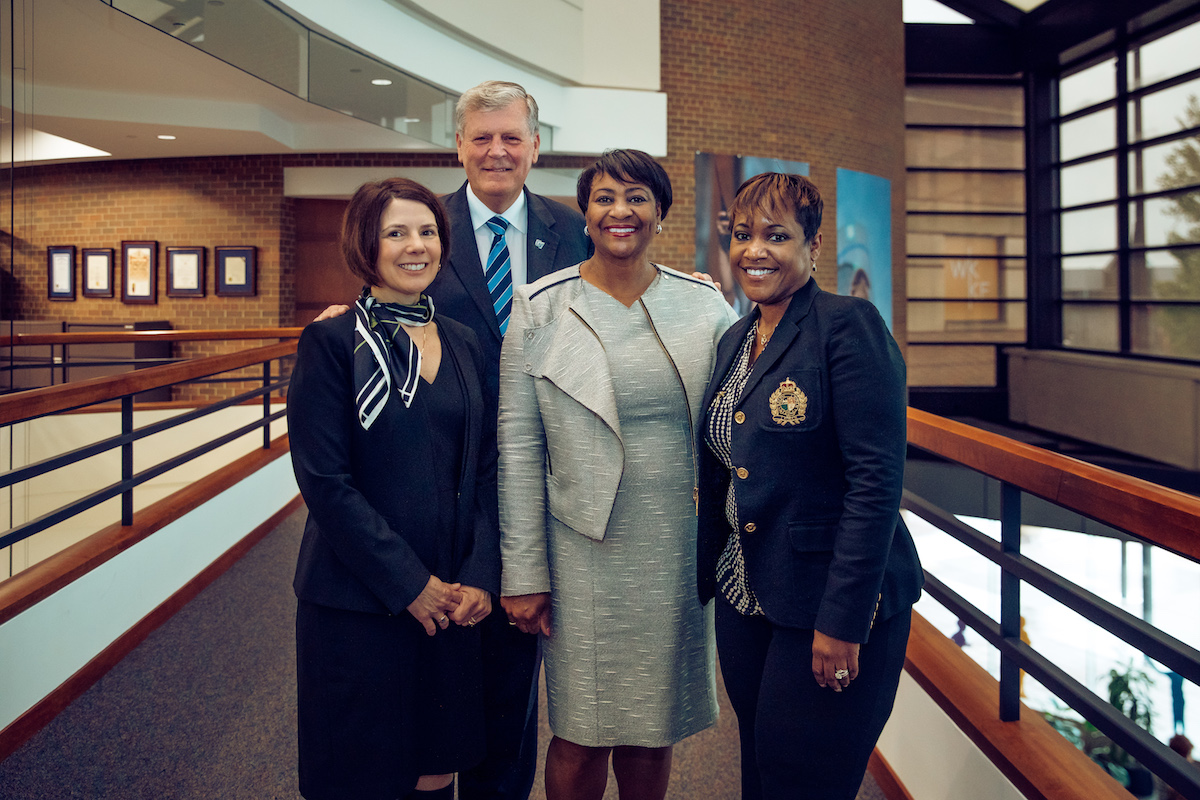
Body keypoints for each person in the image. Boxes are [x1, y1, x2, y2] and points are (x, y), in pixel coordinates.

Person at [313, 80, 591, 800]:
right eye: (481, 136)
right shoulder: (425, 224)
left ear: (535, 145)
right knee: (399, 739)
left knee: (503, 710)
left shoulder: (577, 234)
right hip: (421, 530)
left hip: (528, 507)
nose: (497, 150)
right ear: (459, 145)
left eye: (511, 137)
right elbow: (327, 472)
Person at [498, 149, 739, 800]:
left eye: (636, 196)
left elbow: (741, 423)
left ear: (661, 212)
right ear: (585, 213)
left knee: (651, 726)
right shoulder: (540, 307)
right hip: (581, 552)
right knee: (580, 729)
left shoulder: (705, 307)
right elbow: (519, 445)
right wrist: (523, 573)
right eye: (604, 197)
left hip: (676, 551)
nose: (619, 211)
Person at [696, 172, 924, 800]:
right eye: (743, 235)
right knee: (762, 767)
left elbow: (876, 482)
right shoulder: (738, 338)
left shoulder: (848, 326)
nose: (754, 250)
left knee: (804, 780)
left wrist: (844, 620)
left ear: (814, 244)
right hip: (748, 593)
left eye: (776, 235)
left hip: (830, 604)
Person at [288, 177, 498, 800]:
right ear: (365, 246)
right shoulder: (332, 343)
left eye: (428, 232)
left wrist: (482, 574)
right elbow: (325, 482)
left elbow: (483, 469)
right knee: (365, 775)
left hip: (451, 603)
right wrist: (411, 585)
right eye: (397, 232)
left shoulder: (460, 341)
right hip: (361, 600)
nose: (417, 246)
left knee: (436, 770)